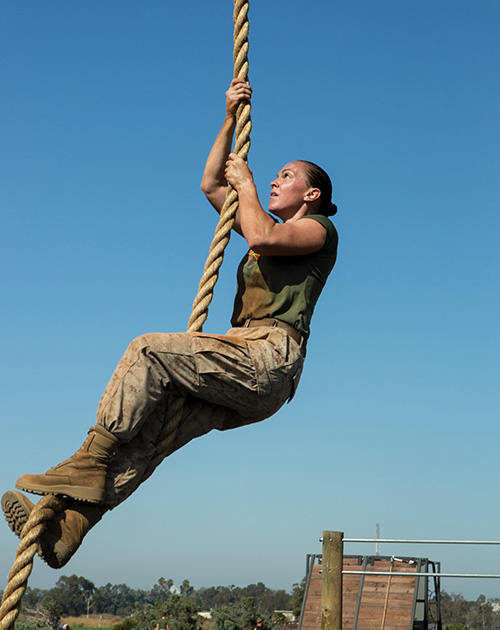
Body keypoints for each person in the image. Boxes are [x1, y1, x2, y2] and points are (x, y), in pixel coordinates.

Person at [1, 78, 338, 569]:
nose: (272, 181)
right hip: (240, 355)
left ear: (311, 193)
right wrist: (228, 119)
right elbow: (210, 185)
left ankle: (90, 457)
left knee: (148, 350)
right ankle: (71, 528)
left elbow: (262, 237)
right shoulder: (261, 218)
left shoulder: (319, 229)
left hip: (268, 359)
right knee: (153, 435)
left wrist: (245, 183)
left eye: (284, 176)